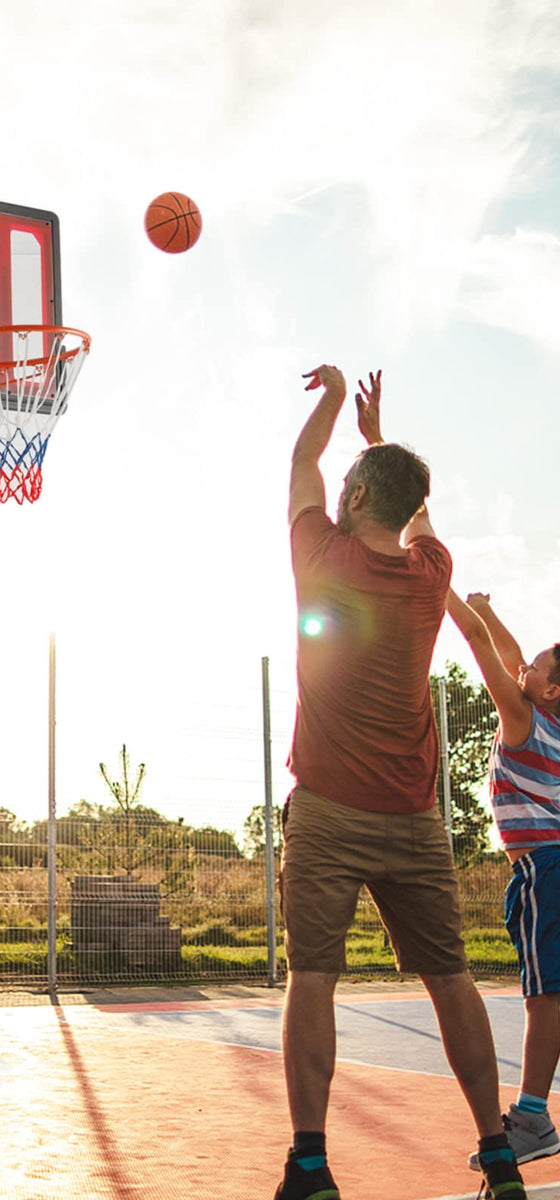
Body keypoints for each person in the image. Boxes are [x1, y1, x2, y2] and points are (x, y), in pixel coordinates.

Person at [277, 363, 526, 1200]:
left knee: (314, 976)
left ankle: (310, 1166)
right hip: (415, 818)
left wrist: (338, 398)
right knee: (450, 977)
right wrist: (381, 442)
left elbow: (300, 466)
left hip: (327, 812)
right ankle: (498, 1153)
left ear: (351, 499)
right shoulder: (432, 574)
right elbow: (418, 517)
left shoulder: (321, 553)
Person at [446, 589, 560, 1172]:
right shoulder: (551, 720)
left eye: (534, 668)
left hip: (546, 868)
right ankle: (536, 1111)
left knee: (547, 996)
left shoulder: (524, 720)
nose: (523, 668)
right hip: (549, 866)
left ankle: (535, 1116)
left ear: (549, 691)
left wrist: (434, 581)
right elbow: (511, 651)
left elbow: (485, 651)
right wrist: (490, 612)